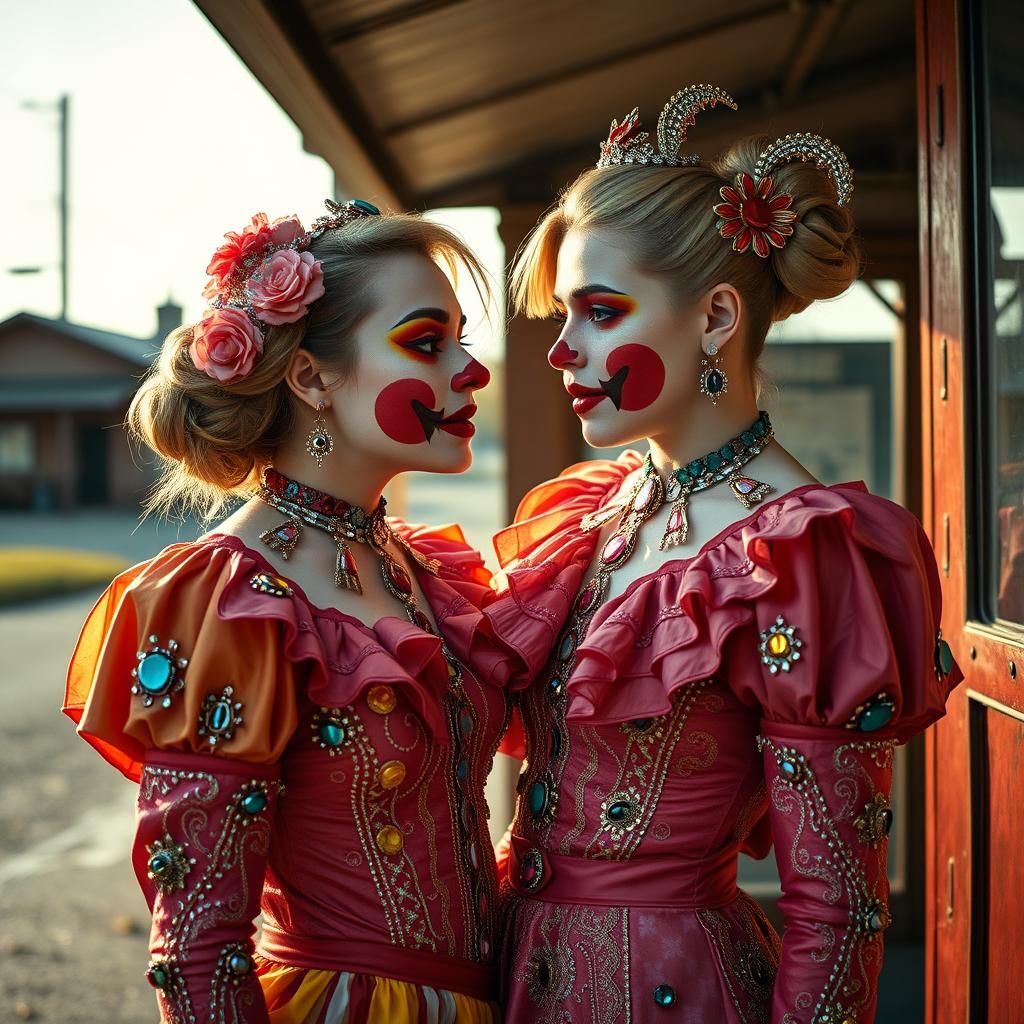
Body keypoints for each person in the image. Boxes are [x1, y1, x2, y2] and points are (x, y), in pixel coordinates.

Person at [487, 85, 964, 1023]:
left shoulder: (807, 551)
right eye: (565, 314)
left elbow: (838, 908)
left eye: (601, 310)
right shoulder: (597, 513)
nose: (562, 349)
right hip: (520, 974)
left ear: (713, 319)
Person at [63, 199, 515, 1023]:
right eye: (425, 342)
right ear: (309, 377)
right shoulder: (222, 602)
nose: (471, 371)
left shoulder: (423, 568)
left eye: (462, 339)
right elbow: (198, 946)